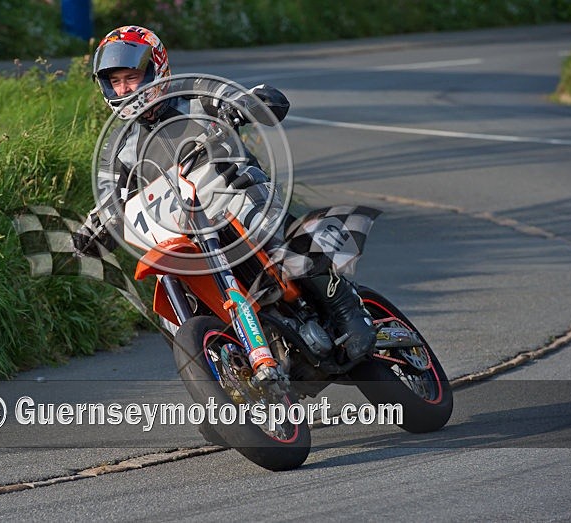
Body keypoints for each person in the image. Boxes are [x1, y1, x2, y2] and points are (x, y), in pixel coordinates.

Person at [72, 25, 376, 362]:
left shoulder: (194, 94)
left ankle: (346, 305)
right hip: (182, 228)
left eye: (132, 76)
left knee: (264, 225)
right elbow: (108, 197)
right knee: (170, 300)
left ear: (156, 69)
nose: (125, 88)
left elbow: (240, 97)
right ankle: (220, 366)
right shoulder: (117, 147)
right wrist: (93, 229)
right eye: (116, 81)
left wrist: (249, 104)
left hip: (237, 194)